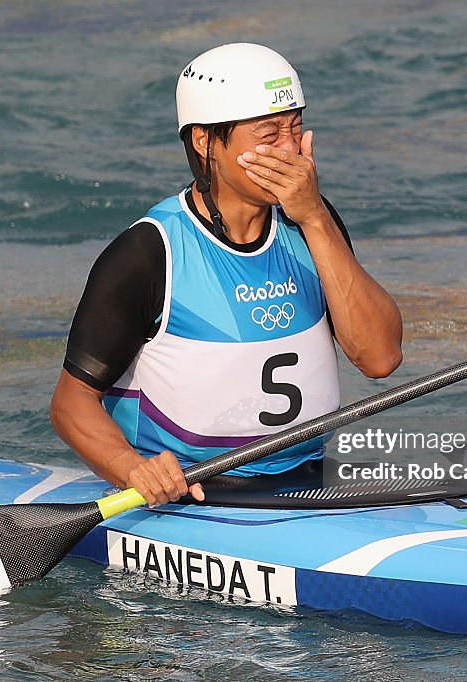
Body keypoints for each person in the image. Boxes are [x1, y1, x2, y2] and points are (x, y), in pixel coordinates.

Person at [51, 43, 402, 507]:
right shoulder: (148, 253)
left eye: (295, 129)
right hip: (195, 496)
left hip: (311, 479)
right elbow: (70, 405)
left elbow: (380, 359)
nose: (291, 150)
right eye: (269, 133)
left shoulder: (313, 223)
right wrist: (132, 469)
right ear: (205, 141)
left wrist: (316, 219)